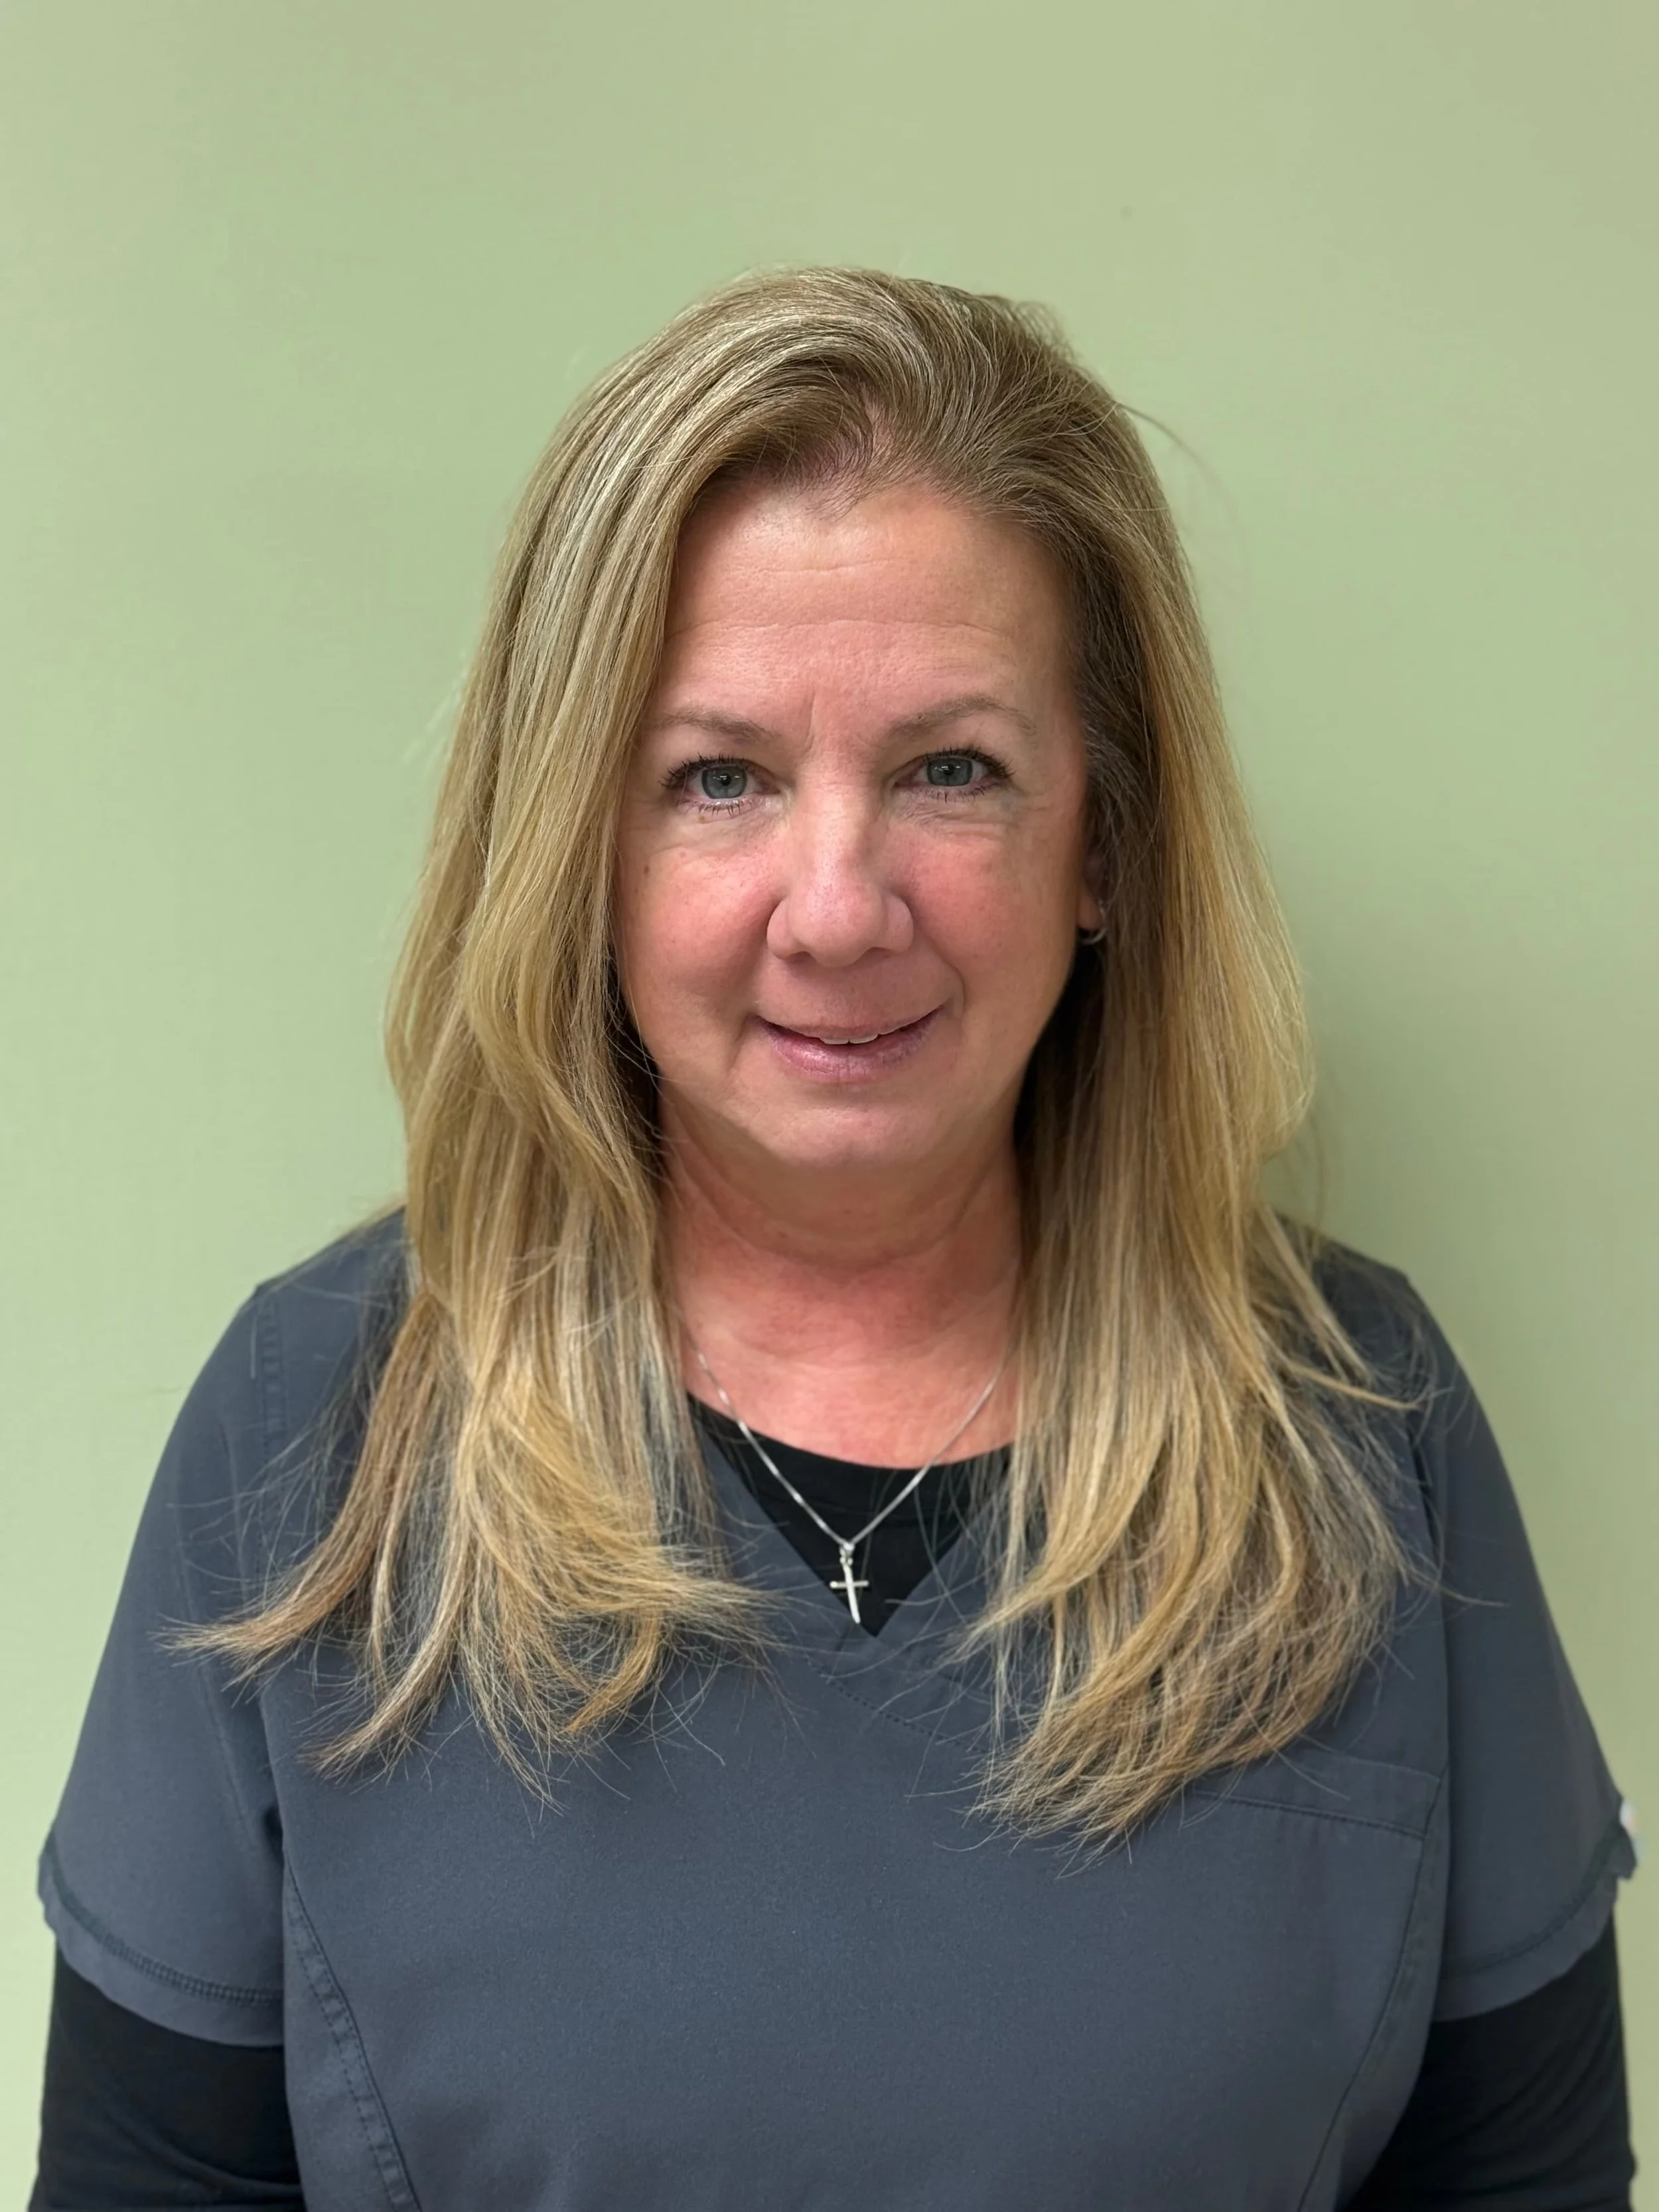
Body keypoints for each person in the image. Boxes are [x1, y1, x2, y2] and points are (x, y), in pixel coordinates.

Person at [31, 268, 1639, 2211]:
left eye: (947, 769)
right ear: (578, 850)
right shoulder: (313, 1440)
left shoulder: (1364, 1435)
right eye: (718, 777)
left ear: (1104, 841)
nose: (837, 904)